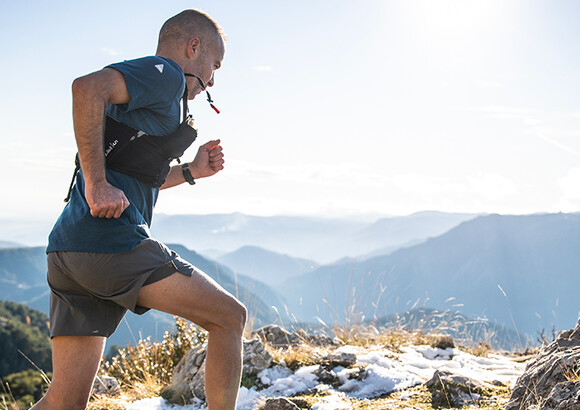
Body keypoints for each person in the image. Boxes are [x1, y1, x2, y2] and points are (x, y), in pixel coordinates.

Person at [32, 9, 247, 410]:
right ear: (193, 46)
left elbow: (136, 172)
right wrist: (96, 185)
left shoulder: (147, 95)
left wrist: (191, 171)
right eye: (214, 65)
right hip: (110, 242)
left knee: (63, 401)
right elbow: (85, 88)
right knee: (230, 318)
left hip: (68, 249)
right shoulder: (163, 73)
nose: (214, 80)